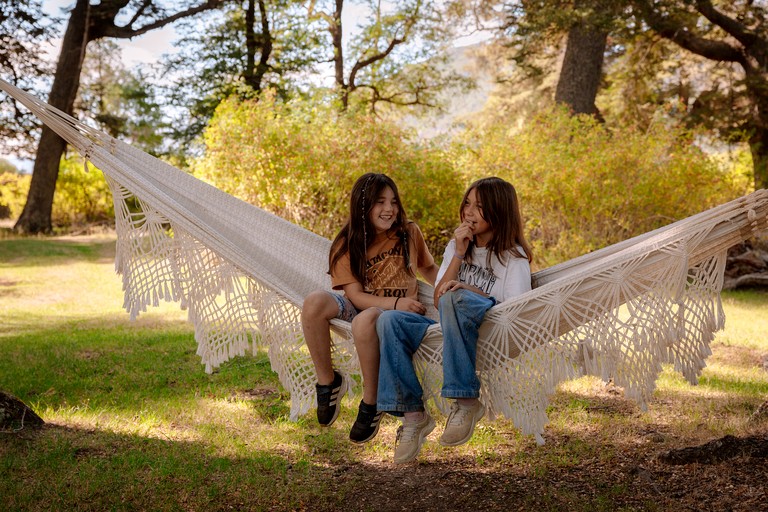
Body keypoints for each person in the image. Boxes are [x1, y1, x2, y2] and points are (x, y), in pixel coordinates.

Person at [376, 176, 532, 463]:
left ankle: (466, 400)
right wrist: (459, 253)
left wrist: (471, 291)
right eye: (467, 204)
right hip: (446, 325)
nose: (469, 212)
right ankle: (413, 416)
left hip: (489, 328)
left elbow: (517, 312)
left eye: (479, 207)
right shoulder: (456, 247)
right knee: (389, 322)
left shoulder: (513, 257)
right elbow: (438, 299)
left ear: (499, 210)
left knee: (456, 296)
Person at [301, 172, 438, 444]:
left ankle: (371, 402)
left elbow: (429, 268)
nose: (389, 209)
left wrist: (450, 288)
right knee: (314, 302)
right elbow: (355, 296)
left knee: (366, 321)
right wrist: (396, 301)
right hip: (362, 306)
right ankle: (328, 383)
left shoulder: (408, 233)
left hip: (396, 317)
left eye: (394, 202)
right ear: (362, 206)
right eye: (380, 202)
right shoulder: (347, 243)